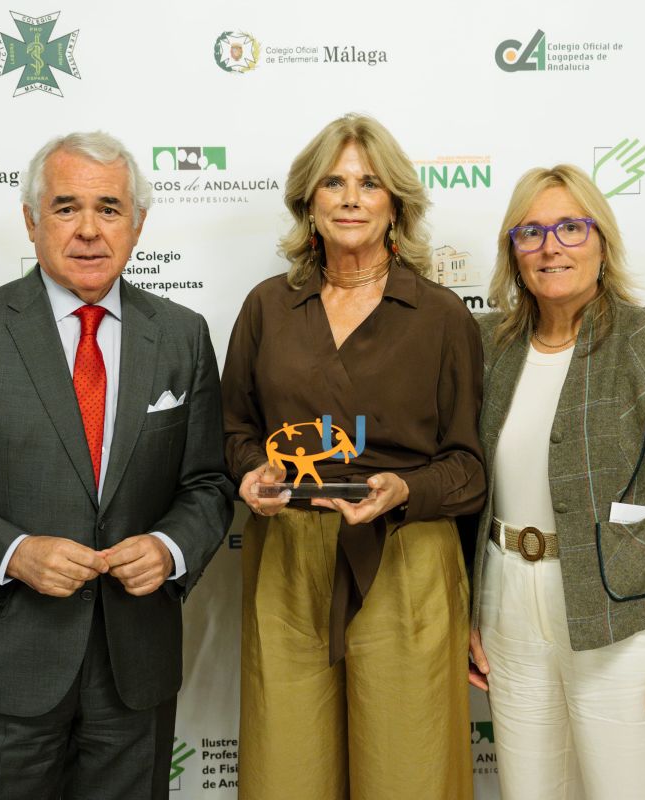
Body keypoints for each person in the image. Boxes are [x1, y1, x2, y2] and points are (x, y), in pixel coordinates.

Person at [0, 131, 233, 800]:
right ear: (31, 220)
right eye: (67, 207)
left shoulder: (182, 335)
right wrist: (14, 553)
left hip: (135, 675)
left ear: (138, 224)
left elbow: (208, 484)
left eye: (109, 208)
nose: (89, 230)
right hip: (5, 671)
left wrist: (169, 548)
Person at [221, 113, 486, 800]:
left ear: (396, 204)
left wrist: (405, 489)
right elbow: (233, 429)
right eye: (333, 183)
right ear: (308, 201)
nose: (350, 198)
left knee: (408, 776)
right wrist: (250, 473)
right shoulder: (267, 308)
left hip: (406, 559)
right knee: (286, 775)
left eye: (369, 184)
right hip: (287, 560)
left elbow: (469, 467)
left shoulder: (440, 317)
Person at [466, 164, 645, 799]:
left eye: (570, 227)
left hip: (624, 617)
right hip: (507, 610)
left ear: (602, 241)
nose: (550, 246)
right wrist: (469, 610)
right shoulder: (485, 347)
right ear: (513, 252)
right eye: (530, 232)